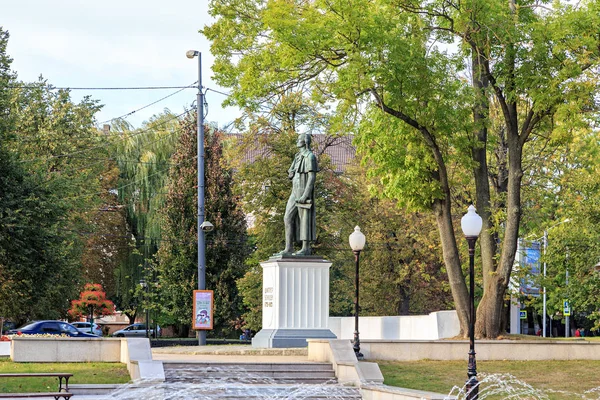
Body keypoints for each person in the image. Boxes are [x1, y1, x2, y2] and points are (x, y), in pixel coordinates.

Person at [275, 133, 318, 256]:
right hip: (294, 191)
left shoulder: (310, 157)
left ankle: (306, 247)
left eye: (299, 139)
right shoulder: (298, 156)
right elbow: (292, 170)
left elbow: (312, 178)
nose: (297, 141)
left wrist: (305, 195)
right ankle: (289, 248)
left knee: (304, 218)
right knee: (287, 217)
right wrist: (290, 173)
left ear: (305, 141)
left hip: (303, 191)